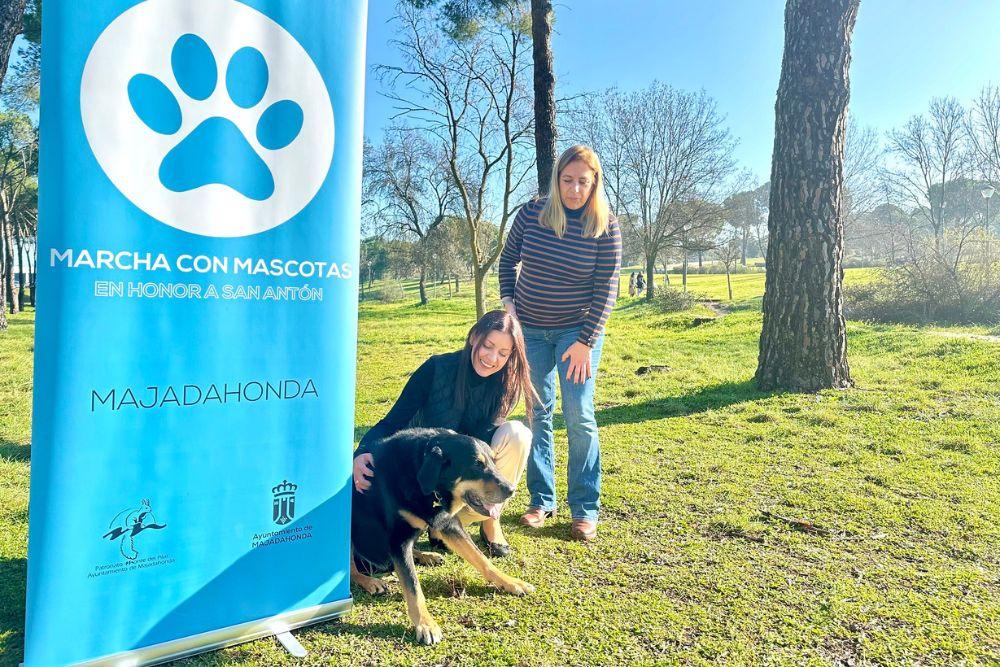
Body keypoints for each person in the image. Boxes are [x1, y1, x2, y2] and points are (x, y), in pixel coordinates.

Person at [498, 144, 622, 542]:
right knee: (537, 413)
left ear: (594, 183)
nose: (573, 189)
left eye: (582, 182)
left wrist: (586, 340)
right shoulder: (533, 213)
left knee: (579, 415)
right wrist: (509, 306)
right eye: (567, 180)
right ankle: (541, 499)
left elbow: (607, 288)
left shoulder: (605, 226)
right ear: (556, 180)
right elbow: (507, 261)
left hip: (577, 334)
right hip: (530, 330)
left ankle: (585, 508)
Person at [353, 310, 534, 556]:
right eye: (488, 346)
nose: (492, 359)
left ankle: (489, 520)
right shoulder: (437, 368)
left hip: (462, 488)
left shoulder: (506, 384)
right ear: (474, 337)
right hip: (422, 480)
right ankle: (436, 526)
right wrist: (362, 451)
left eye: (503, 353)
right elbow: (394, 420)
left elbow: (484, 444)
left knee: (518, 433)